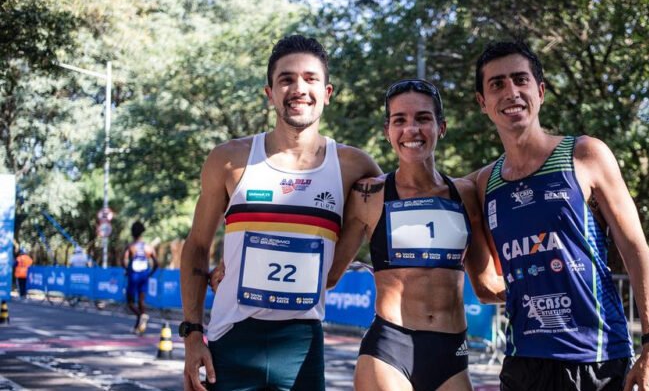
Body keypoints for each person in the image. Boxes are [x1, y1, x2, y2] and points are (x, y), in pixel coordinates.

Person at [180, 34, 381, 391]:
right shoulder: (229, 160)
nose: (299, 88)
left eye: (310, 78)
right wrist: (192, 334)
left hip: (302, 345)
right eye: (286, 79)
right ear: (270, 93)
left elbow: (379, 230)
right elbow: (196, 245)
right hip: (231, 340)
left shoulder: (356, 166)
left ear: (327, 93)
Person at [468, 40, 649, 391]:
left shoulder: (585, 154)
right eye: (497, 84)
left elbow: (636, 250)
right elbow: (486, 286)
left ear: (540, 91)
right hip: (523, 363)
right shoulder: (485, 183)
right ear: (482, 102)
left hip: (596, 359)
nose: (511, 92)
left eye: (520, 79)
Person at [327, 79, 505, 391]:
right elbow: (328, 275)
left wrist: (550, 285)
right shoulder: (368, 195)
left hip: (452, 352)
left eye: (423, 118)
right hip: (389, 348)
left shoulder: (465, 193)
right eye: (399, 120)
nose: (411, 130)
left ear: (441, 127)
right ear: (387, 131)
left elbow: (487, 286)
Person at [124, 220, 158, 335]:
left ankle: (140, 316)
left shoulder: (131, 247)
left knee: (130, 302)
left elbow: (123, 260)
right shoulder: (148, 248)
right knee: (141, 301)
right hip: (144, 275)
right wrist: (150, 274)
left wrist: (127, 270)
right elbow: (156, 263)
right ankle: (140, 325)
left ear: (132, 233)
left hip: (133, 275)